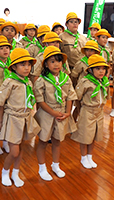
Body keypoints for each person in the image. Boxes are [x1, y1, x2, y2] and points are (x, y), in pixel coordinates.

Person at [34, 46, 77, 181]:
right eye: (52, 61)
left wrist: (68, 112)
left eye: (58, 61)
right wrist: (53, 112)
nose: (56, 64)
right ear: (46, 64)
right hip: (47, 114)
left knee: (57, 141)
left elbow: (70, 95)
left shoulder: (66, 79)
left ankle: (55, 165)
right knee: (43, 141)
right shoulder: (42, 80)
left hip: (62, 113)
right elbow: (40, 100)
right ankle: (42, 168)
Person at [0, 48, 41, 187]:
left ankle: (15, 173)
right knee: (14, 151)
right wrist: (0, 121)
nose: (27, 68)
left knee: (21, 149)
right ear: (14, 66)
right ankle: (5, 172)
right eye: (22, 64)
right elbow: (1, 102)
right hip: (12, 118)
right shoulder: (9, 82)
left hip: (25, 118)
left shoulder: (28, 82)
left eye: (29, 64)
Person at [71, 54, 110, 169]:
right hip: (87, 111)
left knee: (93, 135)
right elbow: (77, 98)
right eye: (98, 69)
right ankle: (83, 157)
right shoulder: (85, 82)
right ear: (91, 70)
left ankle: (90, 156)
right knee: (85, 136)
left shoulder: (104, 82)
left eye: (103, 69)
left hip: (99, 112)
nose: (101, 71)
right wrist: (80, 110)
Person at [71, 40, 100, 121]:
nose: (89, 52)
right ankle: (73, 122)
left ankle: (85, 122)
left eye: (92, 50)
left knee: (88, 106)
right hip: (82, 88)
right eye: (87, 50)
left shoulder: (98, 63)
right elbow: (74, 75)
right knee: (78, 106)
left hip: (92, 89)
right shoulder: (81, 63)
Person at [0, 36, 12, 155]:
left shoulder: (12, 63)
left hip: (10, 96)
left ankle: (5, 142)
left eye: (7, 48)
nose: (5, 50)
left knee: (7, 120)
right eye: (1, 48)